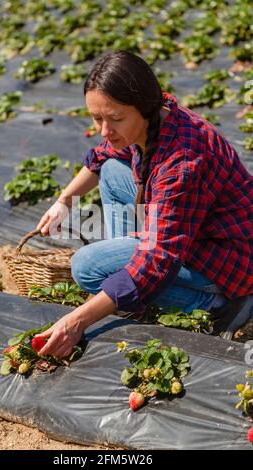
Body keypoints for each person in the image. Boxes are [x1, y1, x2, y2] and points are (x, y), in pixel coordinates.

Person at [35, 51, 253, 357]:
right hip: (194, 231)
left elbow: (158, 259)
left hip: (227, 258)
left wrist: (77, 320)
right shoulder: (159, 119)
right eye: (97, 118)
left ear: (144, 108)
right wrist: (63, 202)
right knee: (112, 171)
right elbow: (103, 155)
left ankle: (216, 304)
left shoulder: (181, 163)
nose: (104, 130)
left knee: (86, 268)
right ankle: (126, 287)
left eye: (115, 119)